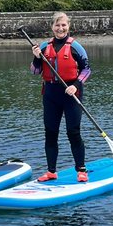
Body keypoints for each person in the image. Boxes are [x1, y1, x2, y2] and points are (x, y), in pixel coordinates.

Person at [30, 11, 89, 183]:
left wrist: (76, 85)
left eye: (63, 25)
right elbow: (35, 71)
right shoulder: (43, 47)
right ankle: (51, 171)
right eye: (57, 25)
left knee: (73, 131)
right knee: (50, 132)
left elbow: (87, 69)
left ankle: (81, 169)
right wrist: (36, 59)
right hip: (50, 94)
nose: (60, 28)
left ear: (68, 26)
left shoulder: (76, 47)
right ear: (52, 27)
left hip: (71, 93)